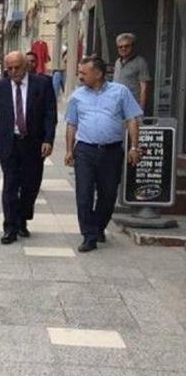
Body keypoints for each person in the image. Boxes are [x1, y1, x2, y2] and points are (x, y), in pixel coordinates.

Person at [65, 56, 144, 252]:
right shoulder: (77, 96)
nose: (80, 76)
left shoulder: (121, 92)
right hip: (85, 150)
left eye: (84, 73)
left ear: (98, 73)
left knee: (108, 195)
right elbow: (71, 124)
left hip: (111, 151)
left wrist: (134, 147)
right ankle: (88, 235)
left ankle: (98, 226)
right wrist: (68, 150)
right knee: (83, 194)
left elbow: (132, 119)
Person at [0, 50, 57, 244]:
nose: (13, 71)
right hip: (9, 143)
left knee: (30, 185)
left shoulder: (42, 84)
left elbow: (50, 115)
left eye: (17, 67)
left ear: (26, 66)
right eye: (9, 68)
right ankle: (10, 227)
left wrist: (48, 140)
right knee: (10, 185)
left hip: (33, 143)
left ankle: (22, 219)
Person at [112, 32, 151, 114]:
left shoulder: (140, 62)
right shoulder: (117, 62)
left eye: (126, 46)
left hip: (132, 108)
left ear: (132, 46)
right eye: (120, 47)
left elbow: (144, 88)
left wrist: (141, 110)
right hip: (116, 106)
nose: (123, 49)